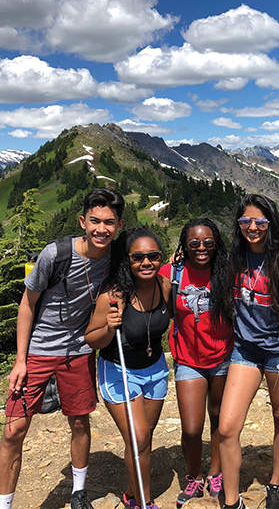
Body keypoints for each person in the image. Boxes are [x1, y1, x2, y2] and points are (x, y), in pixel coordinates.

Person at [0, 188, 125, 509]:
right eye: (95, 221)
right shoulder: (54, 254)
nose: (101, 229)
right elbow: (27, 305)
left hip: (80, 352)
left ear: (119, 226)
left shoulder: (115, 257)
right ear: (83, 221)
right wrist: (20, 360)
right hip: (39, 352)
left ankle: (79, 492)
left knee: (80, 422)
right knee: (13, 432)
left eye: (109, 223)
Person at [218, 194, 279, 509]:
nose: (252, 227)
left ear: (271, 224)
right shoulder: (233, 258)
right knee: (227, 428)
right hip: (246, 349)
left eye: (260, 221)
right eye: (245, 221)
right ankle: (231, 501)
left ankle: (275, 483)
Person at [85, 227, 171, 509]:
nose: (146, 262)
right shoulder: (113, 296)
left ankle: (131, 494)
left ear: (161, 258)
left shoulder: (165, 286)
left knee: (140, 441)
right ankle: (145, 504)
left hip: (156, 369)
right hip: (119, 370)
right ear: (127, 260)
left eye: (153, 256)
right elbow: (92, 338)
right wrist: (109, 327)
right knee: (140, 437)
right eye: (138, 257)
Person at [158, 218, 234, 506]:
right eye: (194, 243)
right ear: (184, 245)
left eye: (207, 242)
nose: (201, 247)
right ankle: (194, 476)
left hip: (223, 354)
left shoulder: (227, 270)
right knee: (191, 427)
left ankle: (215, 473)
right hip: (187, 358)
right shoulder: (171, 272)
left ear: (216, 244)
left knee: (218, 417)